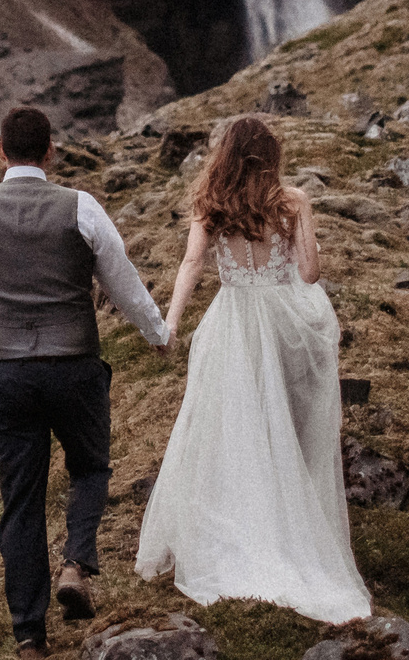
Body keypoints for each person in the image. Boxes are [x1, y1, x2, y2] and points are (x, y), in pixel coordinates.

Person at [0, 105, 170, 660]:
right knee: (90, 467)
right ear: (52, 150)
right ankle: (77, 562)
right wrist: (155, 331)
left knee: (22, 499)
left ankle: (29, 635)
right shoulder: (81, 207)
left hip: (7, 373)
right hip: (75, 366)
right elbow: (122, 279)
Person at [134, 114, 371, 623]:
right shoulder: (291, 201)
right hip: (286, 321)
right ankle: (292, 522)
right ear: (273, 155)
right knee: (287, 424)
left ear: (226, 154)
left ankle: (241, 525)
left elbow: (192, 265)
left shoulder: (211, 202)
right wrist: (300, 221)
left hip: (234, 323)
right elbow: (310, 272)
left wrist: (169, 324)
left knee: (233, 429)